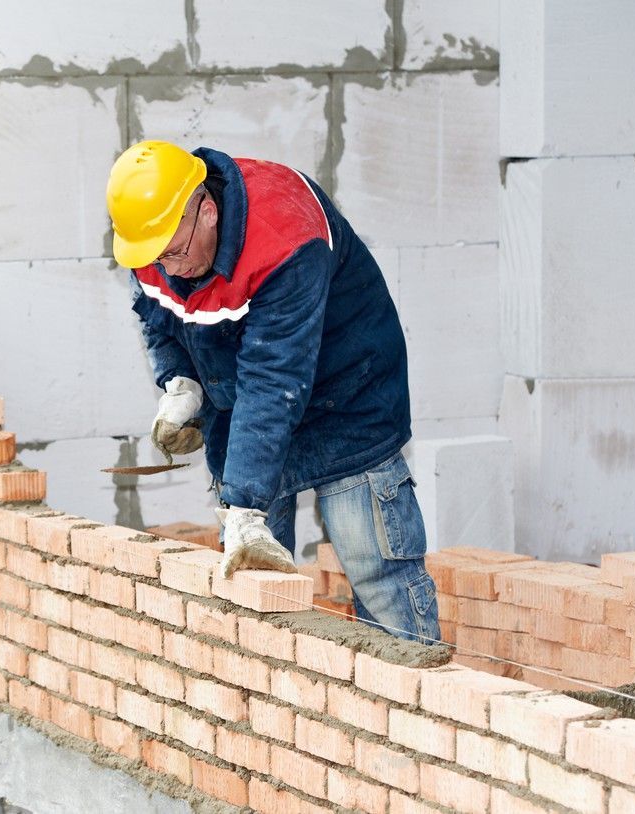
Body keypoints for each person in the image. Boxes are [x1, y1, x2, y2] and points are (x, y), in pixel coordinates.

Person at [106, 140, 439, 644]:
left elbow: (273, 378)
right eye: (155, 257)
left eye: (173, 253)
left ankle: (415, 692)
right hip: (247, 412)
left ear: (207, 211)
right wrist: (180, 381)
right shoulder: (156, 240)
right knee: (255, 598)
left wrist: (243, 506)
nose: (167, 268)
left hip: (346, 400)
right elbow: (158, 316)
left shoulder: (285, 237)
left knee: (378, 578)